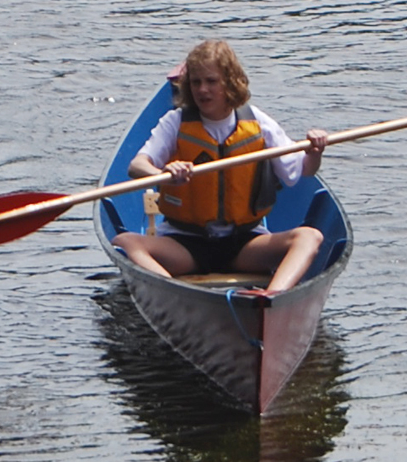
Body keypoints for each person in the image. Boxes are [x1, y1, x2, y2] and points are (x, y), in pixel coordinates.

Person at [112, 40, 331, 293]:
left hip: (244, 244)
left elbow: (302, 170)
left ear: (229, 81)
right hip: (186, 243)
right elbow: (137, 165)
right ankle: (176, 293)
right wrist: (163, 175)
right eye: (196, 82)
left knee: (310, 237)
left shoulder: (257, 122)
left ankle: (270, 298)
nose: (202, 90)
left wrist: (315, 151)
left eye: (211, 81)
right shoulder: (176, 122)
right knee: (125, 241)